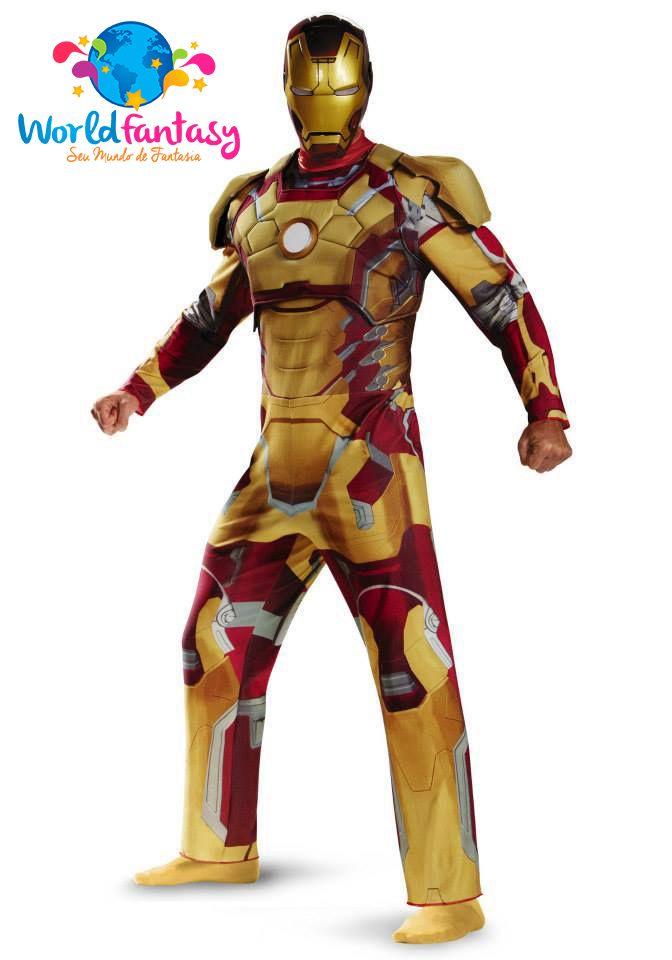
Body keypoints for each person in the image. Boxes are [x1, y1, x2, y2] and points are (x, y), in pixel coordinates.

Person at [92, 14, 572, 944]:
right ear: (287, 89)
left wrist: (545, 410)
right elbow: (207, 316)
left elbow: (503, 299)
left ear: (360, 86)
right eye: (307, 86)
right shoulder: (258, 203)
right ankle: (218, 845)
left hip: (372, 467)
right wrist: (136, 391)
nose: (319, 101)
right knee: (213, 643)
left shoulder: (407, 193)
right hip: (274, 472)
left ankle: (449, 892)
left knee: (412, 665)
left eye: (332, 85)